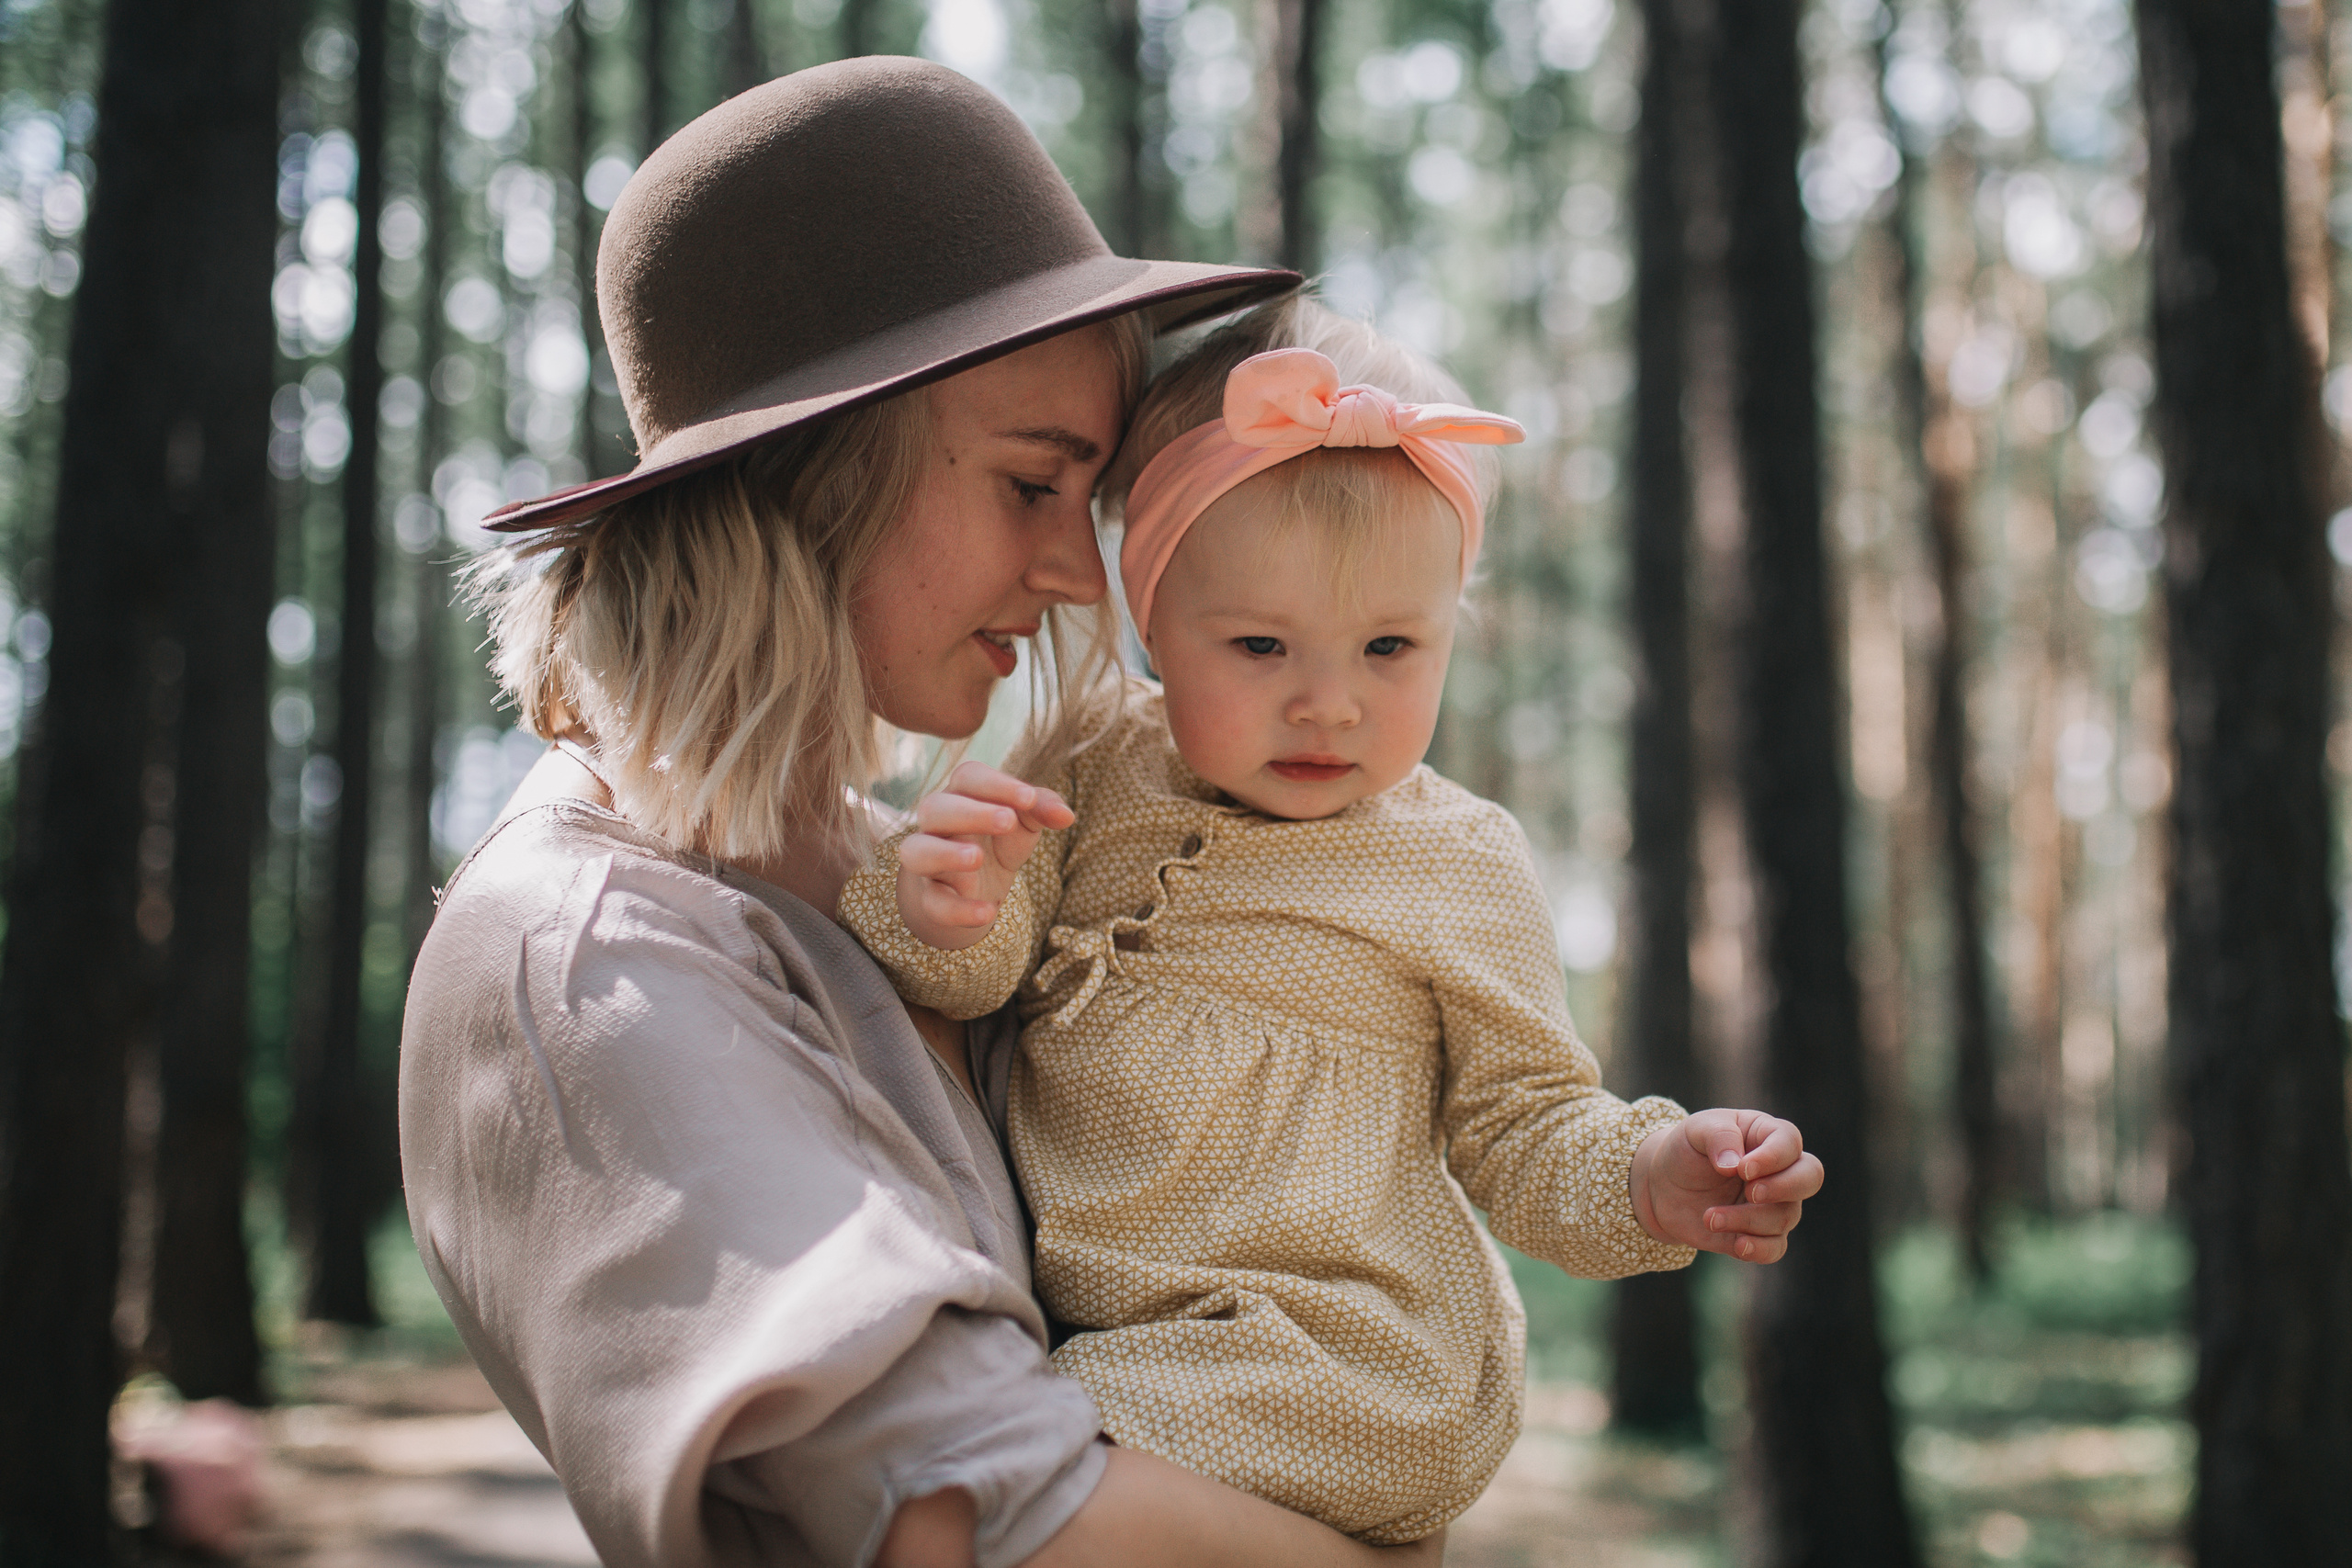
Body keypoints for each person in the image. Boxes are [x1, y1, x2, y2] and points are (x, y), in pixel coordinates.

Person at [399, 55, 1443, 1568]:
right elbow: (980, 1521)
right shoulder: (587, 956)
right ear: (816, 469)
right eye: (1033, 485)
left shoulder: (912, 884)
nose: (1082, 577)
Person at [836, 298, 1826, 1543]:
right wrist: (952, 902)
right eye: (1260, 644)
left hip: (1353, 1363)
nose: (1328, 707)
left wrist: (1649, 1179)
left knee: (972, 1487)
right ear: (1152, 619)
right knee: (959, 1464)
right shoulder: (1085, 763)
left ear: (1451, 633)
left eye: (1389, 649)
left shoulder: (1456, 861)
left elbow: (1524, 1128)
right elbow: (979, 973)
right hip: (1127, 1337)